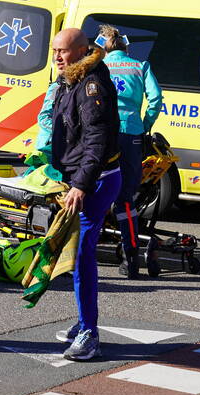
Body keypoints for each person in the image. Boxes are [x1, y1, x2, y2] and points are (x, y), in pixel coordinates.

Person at [47, 27, 121, 361]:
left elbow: (97, 141)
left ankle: (90, 333)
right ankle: (83, 321)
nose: (57, 57)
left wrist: (80, 184)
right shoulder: (71, 80)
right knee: (75, 255)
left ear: (80, 51)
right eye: (54, 51)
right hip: (82, 177)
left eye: (62, 51)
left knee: (80, 255)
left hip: (97, 180)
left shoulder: (91, 85)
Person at [99, 25, 163, 278]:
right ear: (125, 45)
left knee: (94, 192)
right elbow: (156, 99)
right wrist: (144, 124)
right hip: (131, 134)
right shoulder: (140, 66)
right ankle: (131, 260)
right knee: (126, 199)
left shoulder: (100, 66)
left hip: (103, 134)